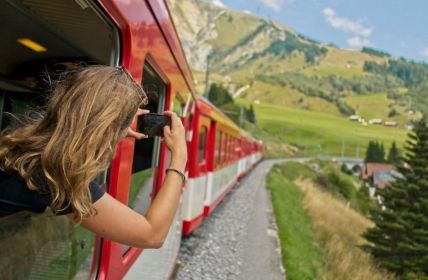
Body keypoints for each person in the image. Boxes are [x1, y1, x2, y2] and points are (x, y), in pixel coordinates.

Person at [0, 65, 187, 249]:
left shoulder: (25, 144)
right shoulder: (56, 173)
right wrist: (179, 157)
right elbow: (152, 235)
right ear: (107, 129)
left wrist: (114, 128)